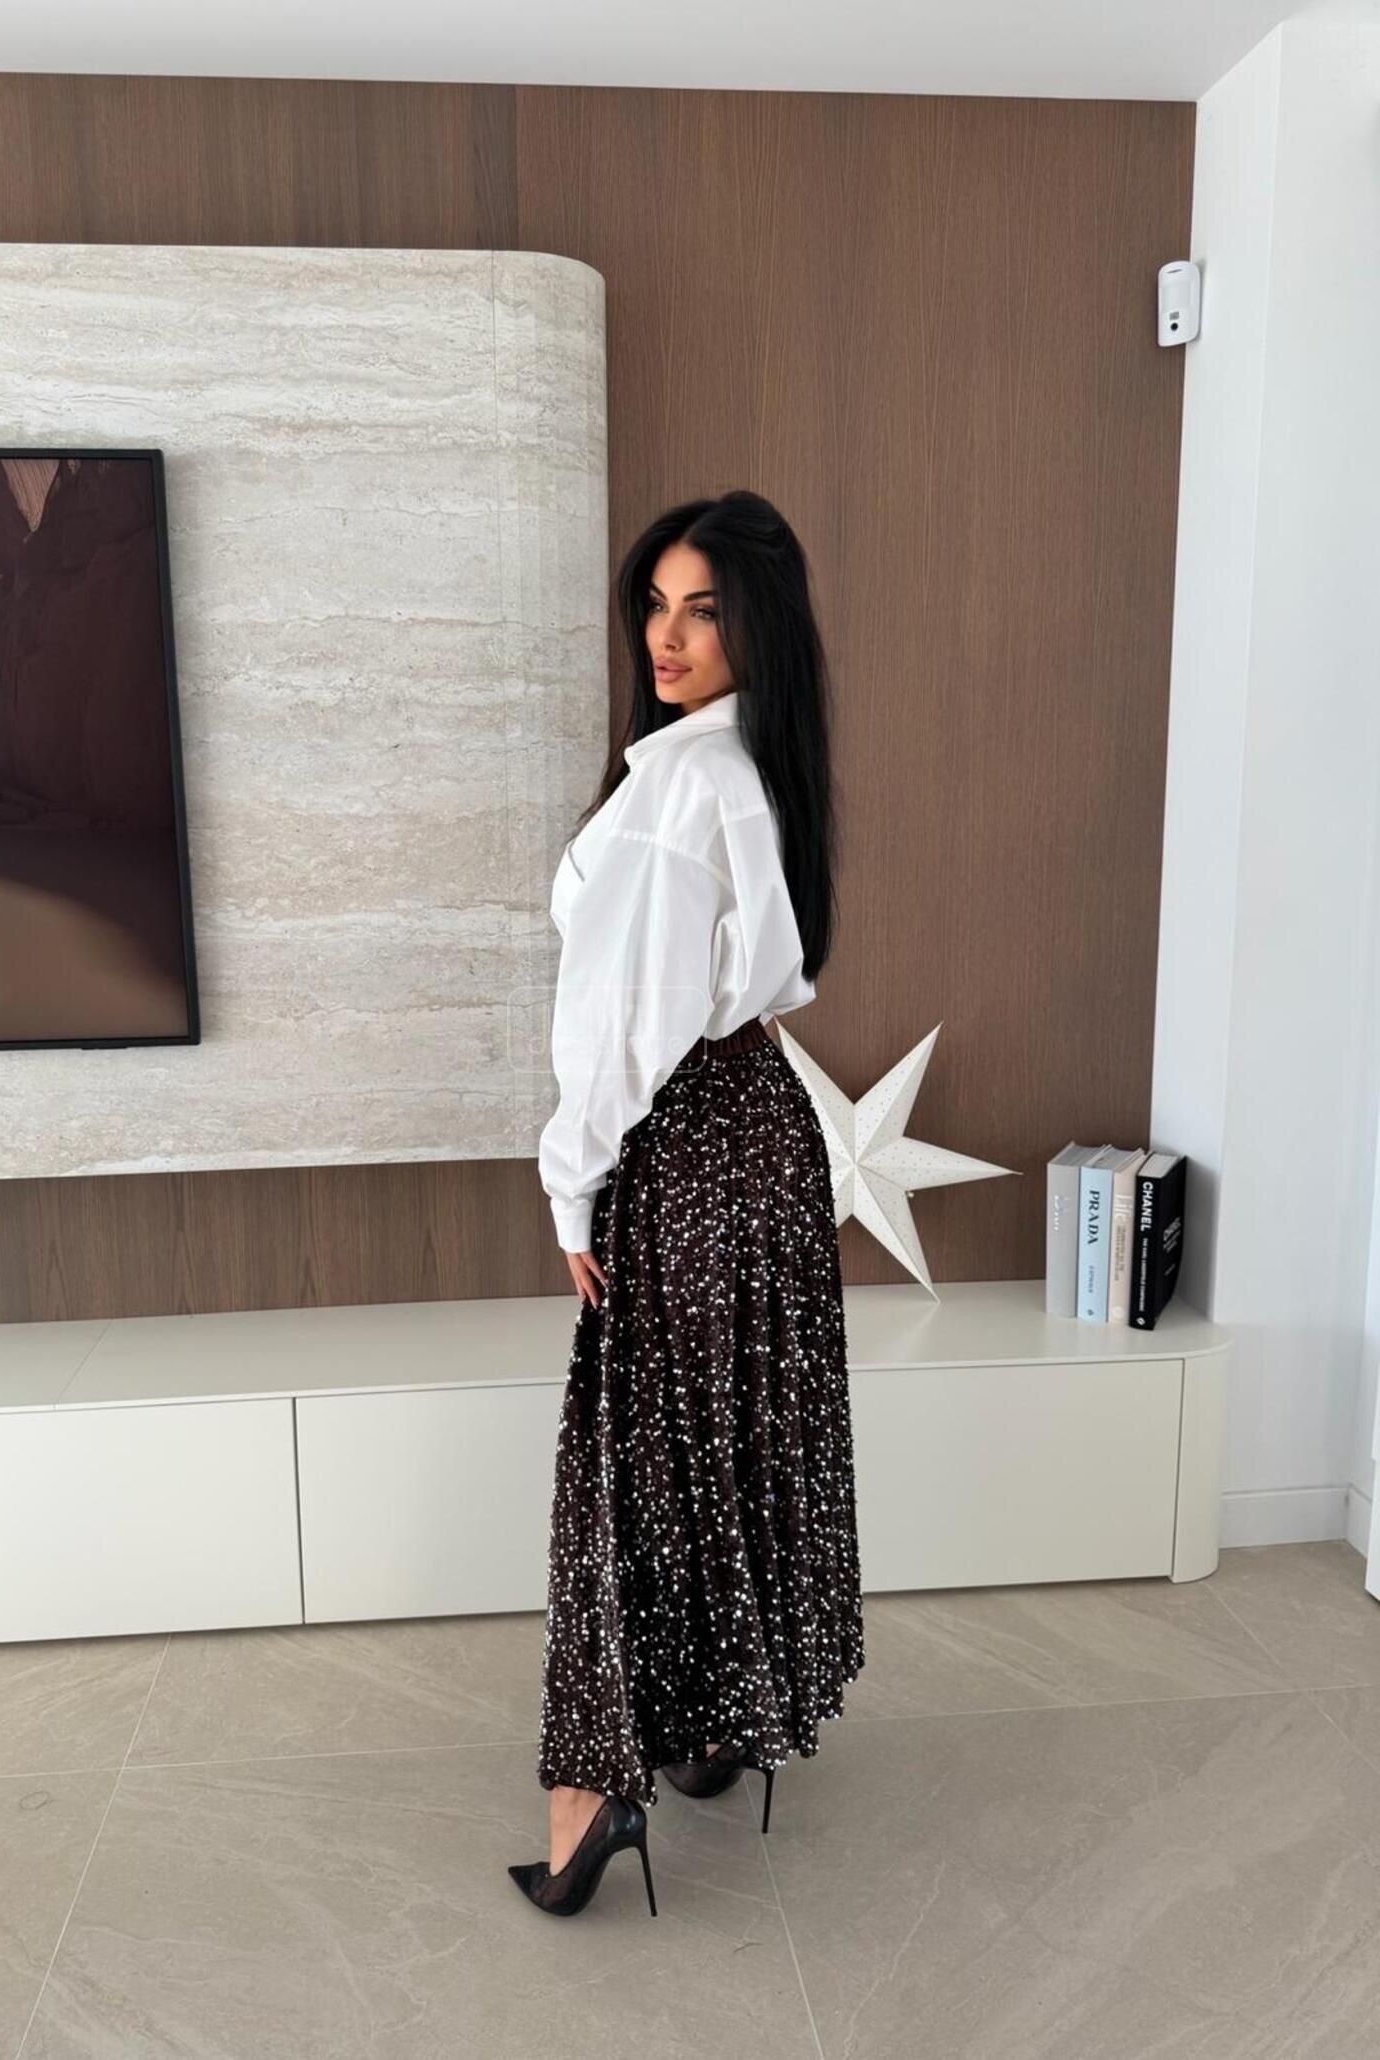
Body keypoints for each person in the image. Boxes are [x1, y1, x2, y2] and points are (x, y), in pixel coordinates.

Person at [506, 490, 866, 1918]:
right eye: (654, 606)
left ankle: (592, 1794)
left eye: (702, 610)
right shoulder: (757, 765)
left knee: (631, 1458)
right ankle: (721, 1721)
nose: (667, 637)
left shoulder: (674, 792)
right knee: (732, 1438)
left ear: (752, 625)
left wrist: (568, 1189)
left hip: (681, 1147)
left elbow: (617, 1028)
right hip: (764, 1132)